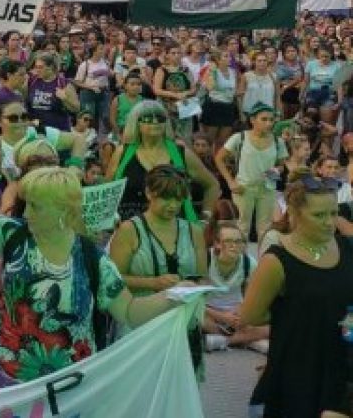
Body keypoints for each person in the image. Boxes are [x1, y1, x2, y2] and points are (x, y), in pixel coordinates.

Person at [0, 164, 181, 388]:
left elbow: (129, 311)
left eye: (35, 207)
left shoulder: (94, 260)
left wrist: (175, 297)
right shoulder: (11, 233)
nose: (26, 214)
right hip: (6, 381)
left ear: (64, 212)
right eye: (26, 205)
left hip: (69, 386)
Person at [239, 167, 353, 418]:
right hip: (298, 365)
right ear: (294, 213)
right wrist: (296, 313)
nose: (329, 222)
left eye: (334, 213)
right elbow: (249, 316)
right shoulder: (277, 261)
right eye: (319, 215)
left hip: (342, 366)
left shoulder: (347, 248)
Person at [108, 165, 206, 365]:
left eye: (178, 199)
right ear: (148, 193)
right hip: (142, 320)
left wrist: (195, 287)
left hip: (183, 321)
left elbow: (202, 278)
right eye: (166, 198)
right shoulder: (129, 230)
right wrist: (153, 283)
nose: (172, 205)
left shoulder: (194, 231)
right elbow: (113, 281)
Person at [107, 100, 218, 223]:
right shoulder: (122, 153)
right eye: (148, 118)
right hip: (131, 229)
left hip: (176, 229)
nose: (155, 122)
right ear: (136, 123)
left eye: (160, 118)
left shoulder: (182, 153)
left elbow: (212, 185)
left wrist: (206, 217)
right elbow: (106, 190)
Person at [215, 103, 288, 244]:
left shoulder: (278, 141)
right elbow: (219, 158)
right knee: (242, 227)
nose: (269, 123)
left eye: (271, 120)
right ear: (252, 120)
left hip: (267, 188)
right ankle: (241, 261)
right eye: (264, 119)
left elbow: (281, 165)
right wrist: (230, 182)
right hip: (244, 187)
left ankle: (263, 262)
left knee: (265, 228)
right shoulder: (239, 137)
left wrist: (275, 171)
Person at [202, 221, 267, 353]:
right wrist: (223, 317)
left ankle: (222, 341)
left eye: (239, 241)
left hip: (236, 312)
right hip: (209, 312)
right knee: (195, 318)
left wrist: (241, 312)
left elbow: (250, 298)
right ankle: (248, 340)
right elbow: (196, 301)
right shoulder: (205, 260)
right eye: (228, 241)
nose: (234, 245)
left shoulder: (249, 263)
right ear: (217, 243)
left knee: (274, 323)